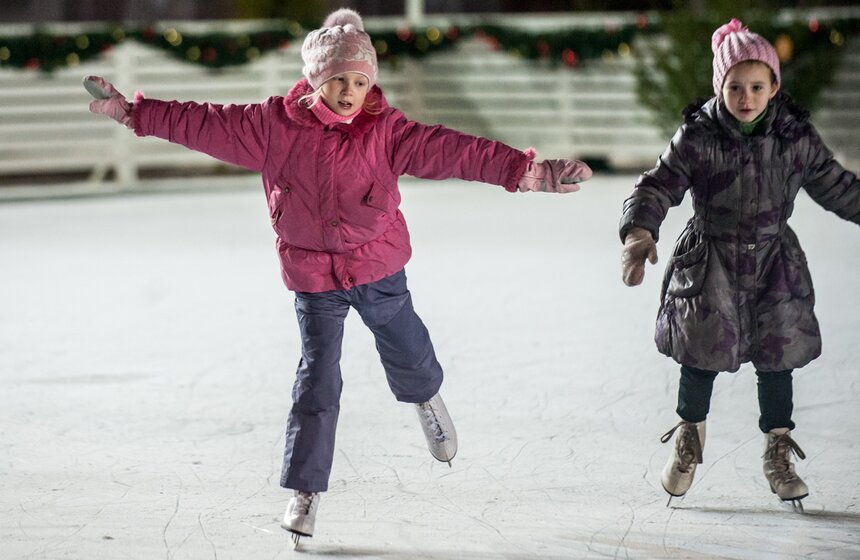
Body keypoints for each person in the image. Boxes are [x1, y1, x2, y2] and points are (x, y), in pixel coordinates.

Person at [86, 8, 592, 542]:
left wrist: (530, 173)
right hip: (312, 275)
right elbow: (205, 122)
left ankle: (426, 399)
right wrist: (135, 114)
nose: (350, 92)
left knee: (407, 346)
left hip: (376, 263)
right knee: (317, 380)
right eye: (339, 81)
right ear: (315, 80)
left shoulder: (387, 131)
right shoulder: (272, 127)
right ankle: (305, 491)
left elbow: (456, 151)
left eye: (360, 82)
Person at [619, 18, 859, 509]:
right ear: (719, 87)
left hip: (774, 264)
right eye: (734, 87)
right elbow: (658, 184)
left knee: (777, 359)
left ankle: (778, 451)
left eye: (756, 86)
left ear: (774, 87)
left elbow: (837, 185)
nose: (746, 97)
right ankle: (689, 436)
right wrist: (640, 231)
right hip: (710, 262)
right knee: (700, 354)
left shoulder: (794, 138)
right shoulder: (698, 136)